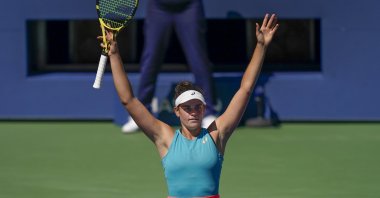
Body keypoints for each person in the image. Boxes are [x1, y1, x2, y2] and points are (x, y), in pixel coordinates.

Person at [100, 13, 279, 198]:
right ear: (177, 111)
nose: (193, 112)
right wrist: (114, 54)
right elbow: (128, 100)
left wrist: (261, 46)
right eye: (187, 108)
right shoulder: (165, 137)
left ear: (203, 109)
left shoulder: (216, 134)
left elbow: (245, 89)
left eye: (198, 107)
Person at [122, 0, 218, 133]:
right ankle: (140, 115)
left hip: (190, 5)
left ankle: (208, 113)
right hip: (159, 6)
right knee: (151, 58)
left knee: (198, 59)